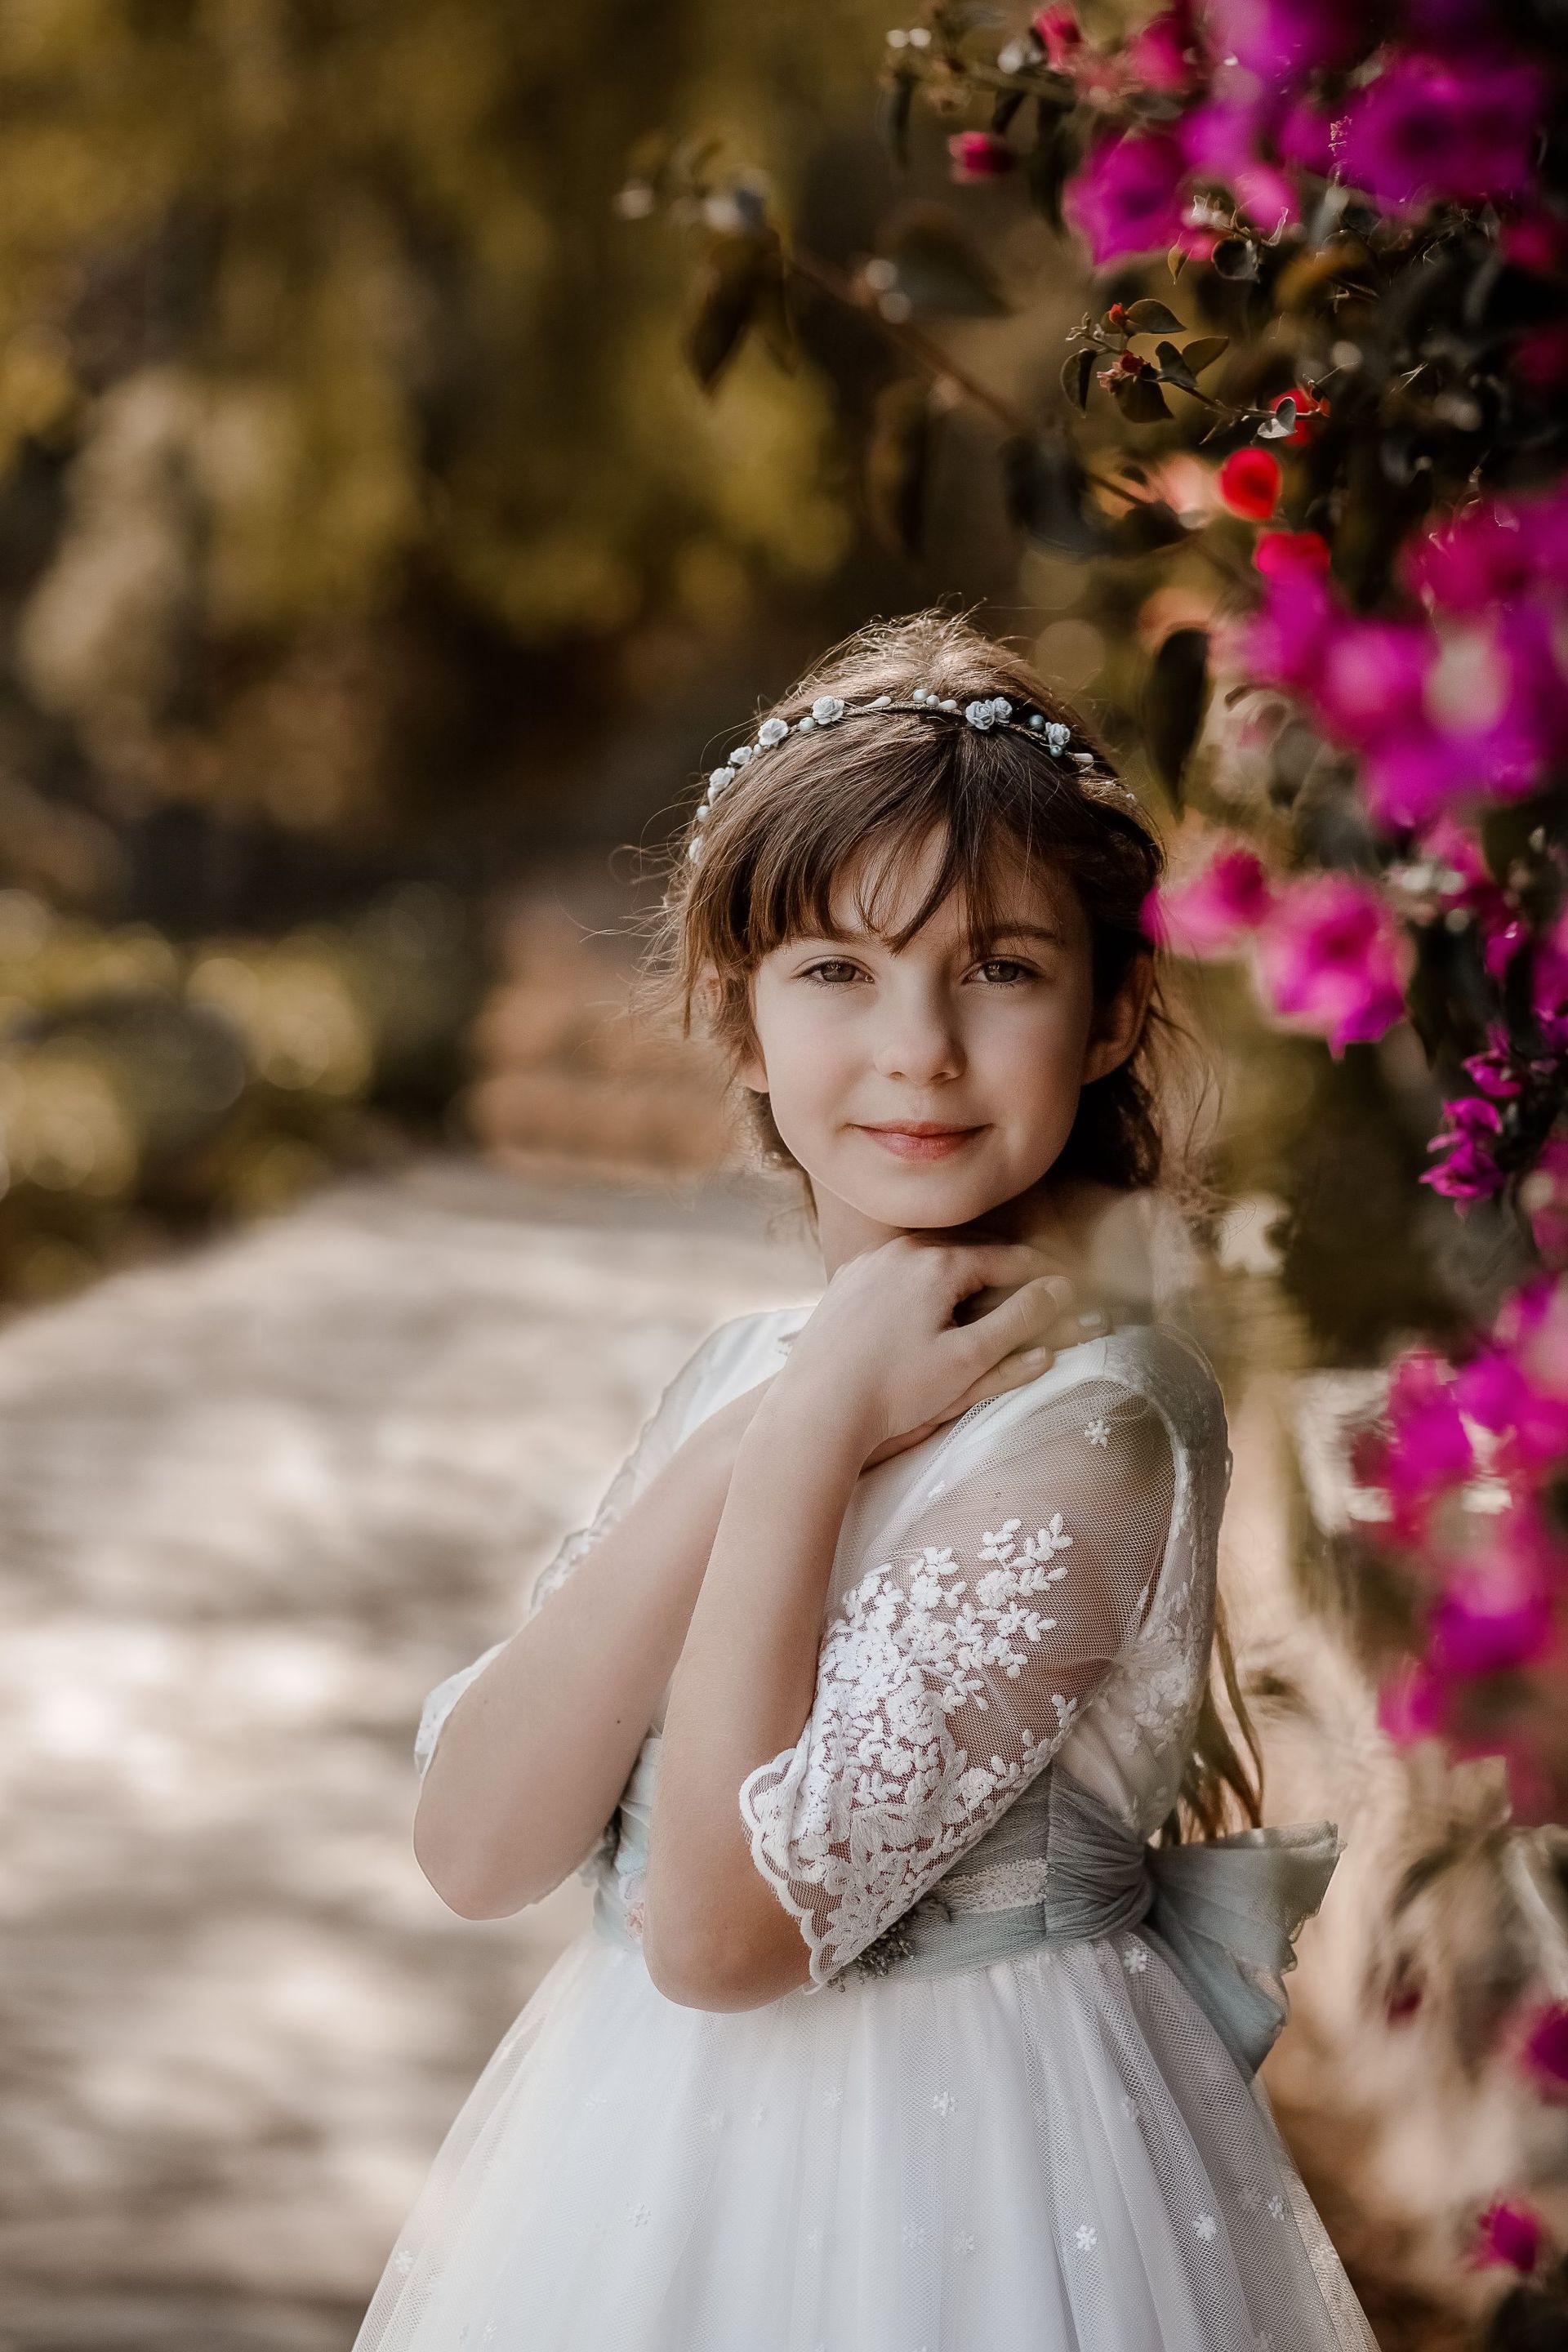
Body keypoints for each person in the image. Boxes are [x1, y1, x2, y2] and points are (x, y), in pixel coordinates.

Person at [353, 611, 1379, 2350]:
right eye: (836, 970)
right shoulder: (748, 1378)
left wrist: (821, 1425)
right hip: (650, 2165)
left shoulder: (1098, 1427)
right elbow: (476, 1843)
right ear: (737, 1021)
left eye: (996, 968)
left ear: (1117, 1008)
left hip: (976, 2189)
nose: (916, 1046)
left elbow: (720, 1936)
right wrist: (786, 1414)